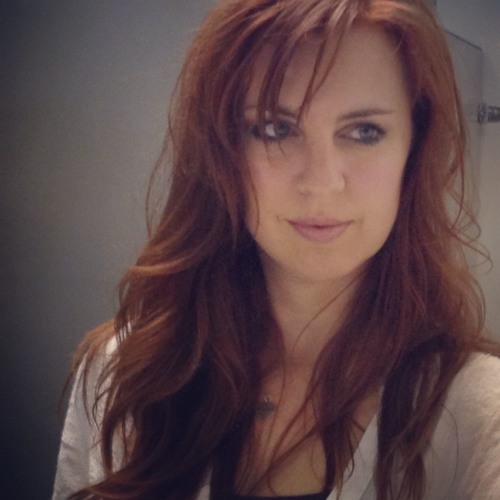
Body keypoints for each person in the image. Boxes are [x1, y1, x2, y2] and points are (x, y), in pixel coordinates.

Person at [53, 0, 500, 499]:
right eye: (275, 129)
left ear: (411, 152)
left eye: (364, 131)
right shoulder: (123, 371)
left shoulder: (481, 413)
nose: (322, 182)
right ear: (223, 153)